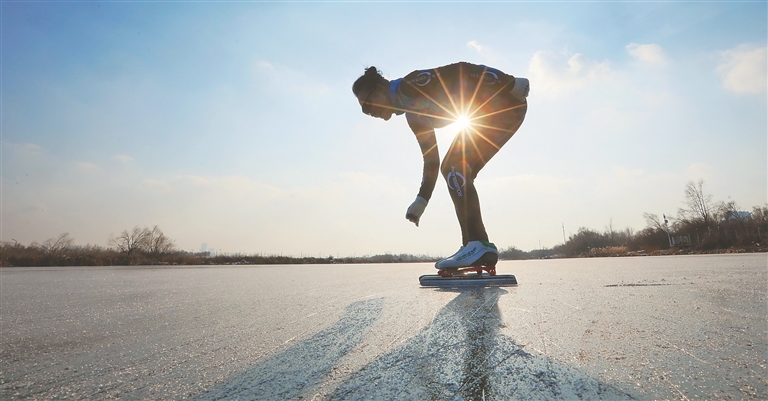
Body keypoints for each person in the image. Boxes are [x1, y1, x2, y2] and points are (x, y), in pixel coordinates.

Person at [352, 62, 529, 270]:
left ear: (380, 88)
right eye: (364, 110)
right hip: (496, 111)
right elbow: (432, 160)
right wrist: (422, 200)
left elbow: (462, 70)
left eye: (367, 104)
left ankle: (477, 244)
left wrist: (507, 82)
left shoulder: (410, 85)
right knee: (452, 168)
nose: (368, 112)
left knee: (455, 166)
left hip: (504, 102)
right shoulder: (413, 115)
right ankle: (473, 247)